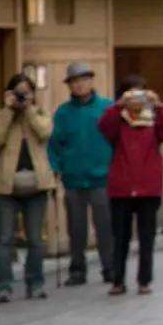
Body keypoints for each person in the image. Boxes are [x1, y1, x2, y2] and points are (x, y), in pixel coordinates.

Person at [98, 76, 163, 296]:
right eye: (131, 94)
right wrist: (118, 106)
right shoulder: (117, 119)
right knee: (120, 236)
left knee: (147, 237)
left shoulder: (153, 119)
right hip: (121, 186)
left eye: (140, 94)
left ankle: (144, 280)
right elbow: (103, 126)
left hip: (148, 185)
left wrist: (159, 104)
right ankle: (118, 280)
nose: (136, 99)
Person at [0, 74, 54, 303]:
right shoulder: (1, 114)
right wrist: (8, 111)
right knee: (5, 238)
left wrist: (27, 109)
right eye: (17, 91)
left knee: (35, 238)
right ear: (9, 93)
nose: (21, 95)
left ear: (33, 94)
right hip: (7, 186)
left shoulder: (41, 113)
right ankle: (2, 287)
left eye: (26, 91)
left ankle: (35, 283)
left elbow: (45, 132)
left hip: (36, 184)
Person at [47, 63, 114, 286]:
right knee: (76, 228)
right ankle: (77, 269)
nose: (79, 84)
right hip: (73, 178)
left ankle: (110, 267)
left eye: (83, 79)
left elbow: (117, 139)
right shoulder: (63, 112)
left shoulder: (107, 107)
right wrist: (55, 167)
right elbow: (55, 144)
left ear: (91, 81)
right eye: (75, 81)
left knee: (104, 225)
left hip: (102, 177)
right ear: (69, 86)